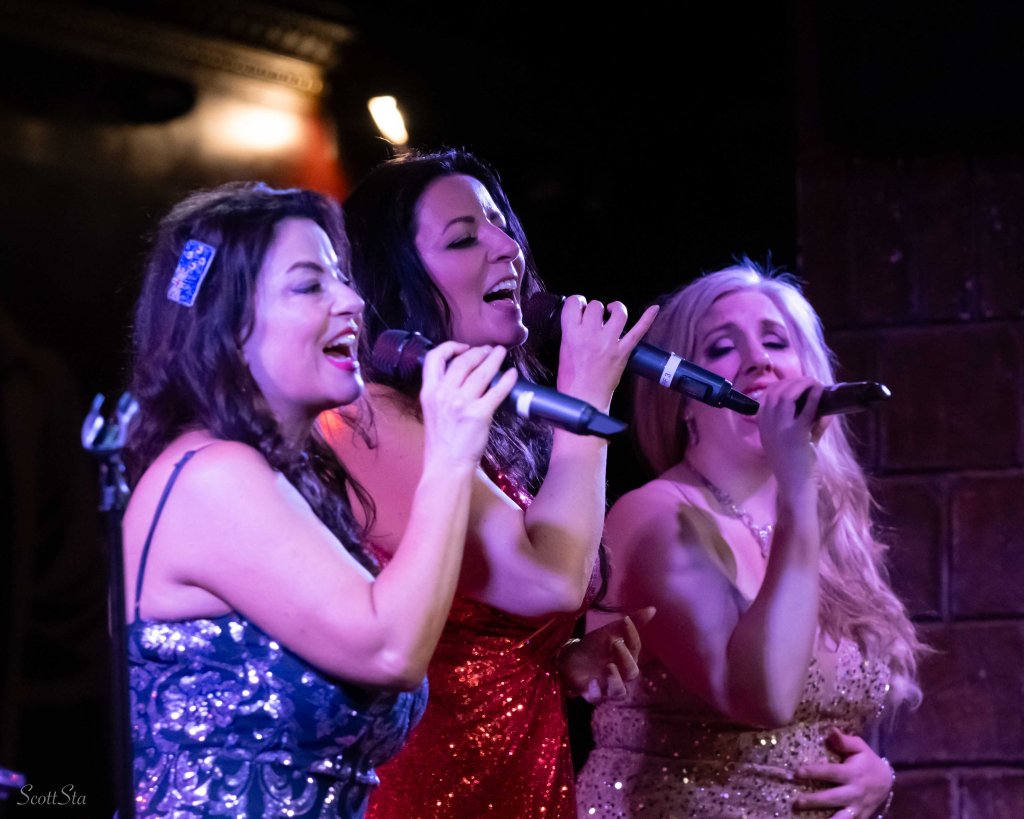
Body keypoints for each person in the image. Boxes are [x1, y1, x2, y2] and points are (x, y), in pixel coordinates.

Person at [122, 181, 518, 818]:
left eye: (341, 277)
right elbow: (389, 648)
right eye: (310, 285)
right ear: (227, 325)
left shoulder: (291, 481)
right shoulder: (211, 476)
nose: (353, 301)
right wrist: (448, 458)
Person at [320, 149, 659, 818]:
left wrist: (553, 658)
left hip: (518, 782)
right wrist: (585, 398)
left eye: (501, 225)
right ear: (396, 282)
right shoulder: (369, 419)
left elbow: (478, 623)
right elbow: (550, 580)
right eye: (463, 238)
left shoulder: (476, 422)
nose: (508, 248)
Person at [577, 261, 924, 819]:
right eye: (721, 347)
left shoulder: (832, 530)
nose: (758, 359)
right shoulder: (654, 517)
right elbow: (763, 697)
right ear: (684, 398)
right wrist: (798, 487)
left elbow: (828, 721)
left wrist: (875, 776)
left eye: (775, 342)